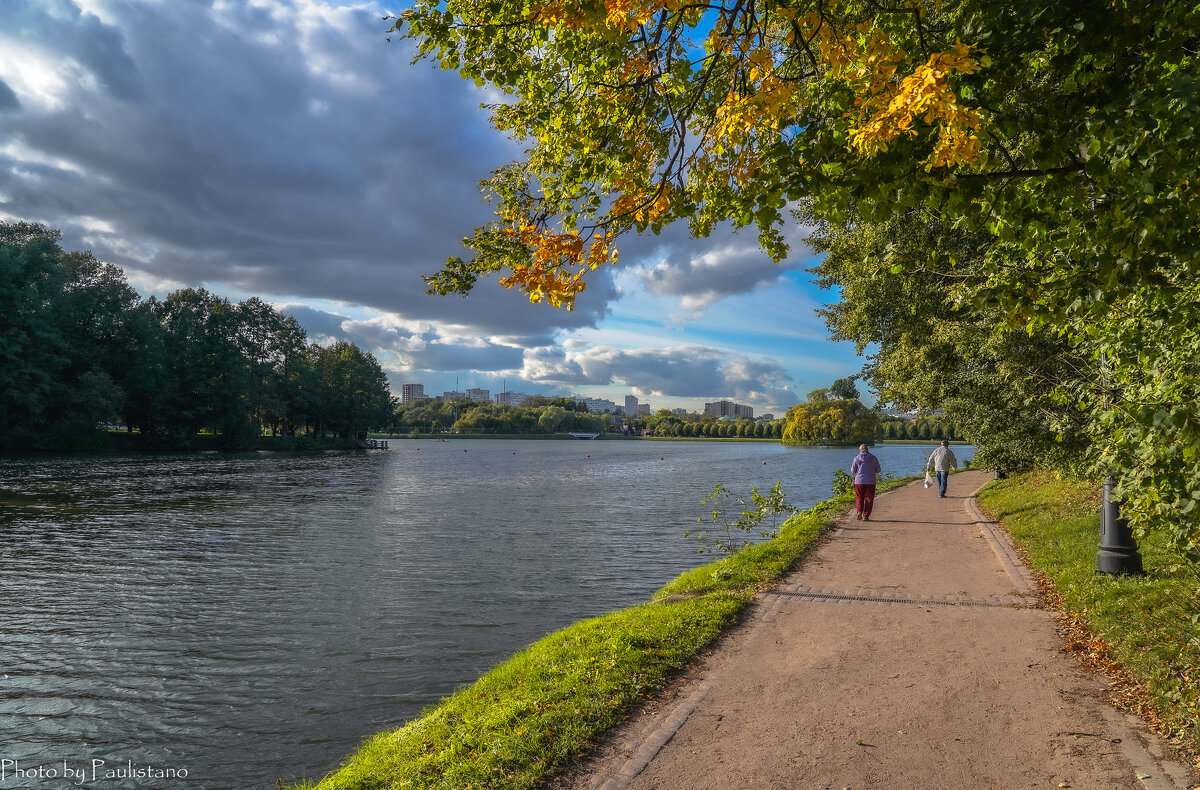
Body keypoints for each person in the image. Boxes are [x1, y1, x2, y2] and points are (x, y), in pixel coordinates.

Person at [850, 443, 882, 521]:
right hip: (871, 481)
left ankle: (859, 512)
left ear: (860, 450)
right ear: (867, 450)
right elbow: (878, 470)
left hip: (859, 481)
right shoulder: (874, 458)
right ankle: (866, 516)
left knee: (859, 497)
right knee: (869, 498)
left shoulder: (856, 458)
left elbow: (853, 471)